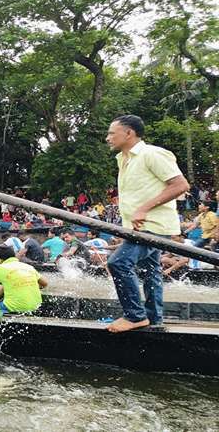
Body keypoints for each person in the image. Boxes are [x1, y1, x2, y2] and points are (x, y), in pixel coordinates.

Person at [105, 114, 190, 333]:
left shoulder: (151, 154)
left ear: (129, 133)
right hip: (137, 227)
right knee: (151, 270)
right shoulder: (123, 159)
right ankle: (153, 318)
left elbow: (180, 185)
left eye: (112, 133)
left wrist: (144, 208)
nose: (108, 138)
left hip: (153, 225)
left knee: (118, 264)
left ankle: (134, 316)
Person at [0, 245, 48, 314]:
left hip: (15, 307)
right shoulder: (28, 267)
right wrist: (26, 285)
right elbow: (45, 283)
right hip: (35, 306)